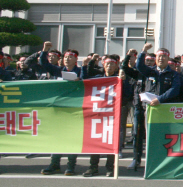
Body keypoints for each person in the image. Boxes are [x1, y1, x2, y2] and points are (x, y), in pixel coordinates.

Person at [82, 55, 132, 177]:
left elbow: (128, 94)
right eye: (107, 64)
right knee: (96, 140)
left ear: (116, 66)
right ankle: (93, 167)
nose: (109, 66)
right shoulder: (98, 78)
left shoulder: (119, 78)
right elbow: (84, 80)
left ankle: (110, 167)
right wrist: (85, 65)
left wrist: (124, 81)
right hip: (98, 113)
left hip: (112, 115)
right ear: (103, 65)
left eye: (112, 64)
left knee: (111, 141)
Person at [39, 42, 81, 176]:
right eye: (66, 57)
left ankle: (70, 166)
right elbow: (43, 63)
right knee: (57, 137)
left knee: (72, 137)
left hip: (74, 109)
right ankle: (54, 164)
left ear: (76, 60)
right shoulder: (58, 70)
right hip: (59, 108)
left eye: (71, 57)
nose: (67, 59)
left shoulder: (80, 71)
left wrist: (81, 80)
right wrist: (45, 50)